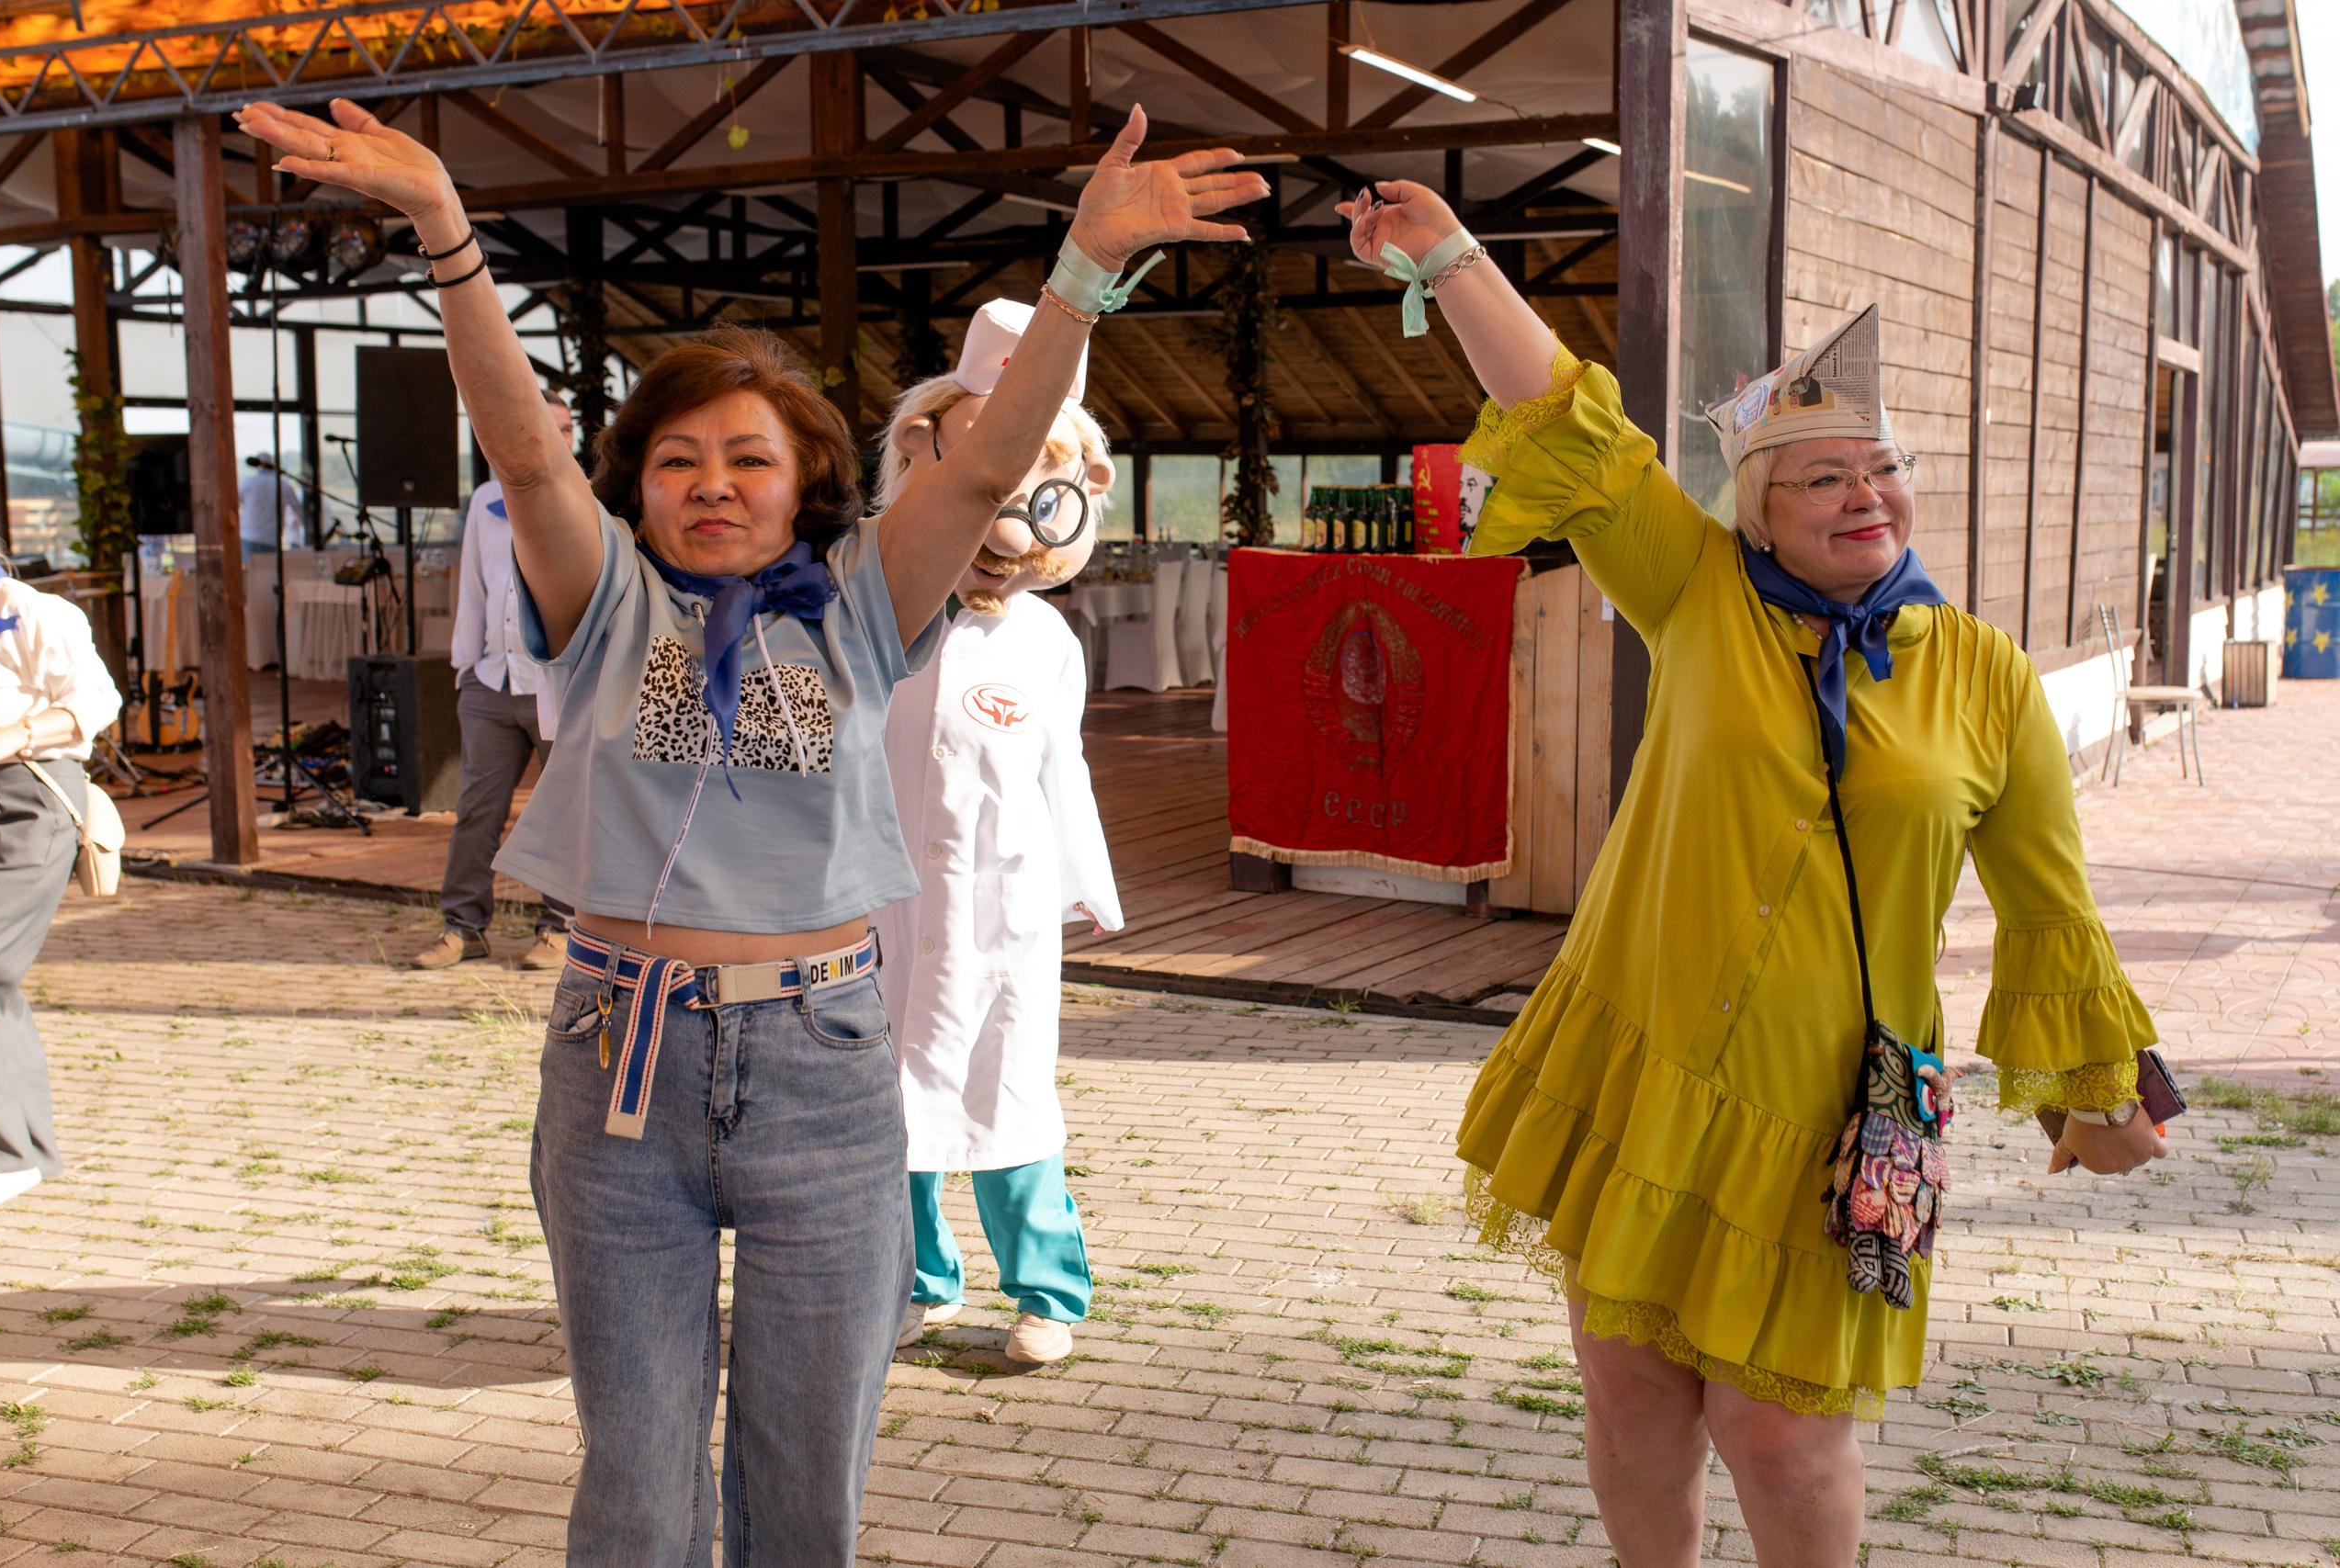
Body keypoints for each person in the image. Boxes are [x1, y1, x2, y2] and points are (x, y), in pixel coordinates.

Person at [237, 94, 1264, 1566]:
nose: (712, 481)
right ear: (638, 485)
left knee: (803, 1497)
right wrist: (449, 235)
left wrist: (1083, 276)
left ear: (812, 486)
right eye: (677, 459)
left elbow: (977, 472)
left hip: (826, 1069)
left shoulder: (867, 603)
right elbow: (529, 458)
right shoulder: (601, 604)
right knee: (641, 1494)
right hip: (620, 1064)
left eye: (750, 458)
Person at [1340, 180, 2166, 1562]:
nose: (1865, 493)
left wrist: (2097, 1085)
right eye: (1822, 475)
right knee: (1631, 1400)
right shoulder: (1695, 587)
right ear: (1757, 510)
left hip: (1846, 1111)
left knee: (1786, 1434)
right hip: (1647, 1066)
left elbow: (2050, 905)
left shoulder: (1985, 675)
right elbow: (1567, 422)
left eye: (1882, 467)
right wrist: (1453, 256)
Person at [872, 299, 1125, 1367]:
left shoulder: (1047, 642)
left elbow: (1060, 764)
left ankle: (1048, 1290)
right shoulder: (877, 609)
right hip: (886, 902)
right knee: (893, 1103)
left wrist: (1082, 887)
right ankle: (915, 1280)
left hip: (1005, 911)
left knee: (1009, 1096)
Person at [417, 389, 579, 972]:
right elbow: (475, 593)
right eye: (547, 428)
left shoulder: (588, 499)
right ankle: (463, 927)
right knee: (476, 809)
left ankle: (559, 929)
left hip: (557, 685)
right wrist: (465, 667)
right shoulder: (486, 501)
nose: (558, 439)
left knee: (563, 810)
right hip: (489, 681)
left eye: (566, 429)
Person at [0, 547, 121, 1211]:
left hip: (32, 804)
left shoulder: (37, 613)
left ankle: (10, 1153)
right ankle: (21, 1151)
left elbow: (98, 701)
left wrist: (7, 736)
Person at [239, 454, 302, 557]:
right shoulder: (283, 484)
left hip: (249, 536)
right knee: (269, 570)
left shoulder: (247, 482)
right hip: (271, 539)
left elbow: (233, 503)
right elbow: (299, 509)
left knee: (250, 570)